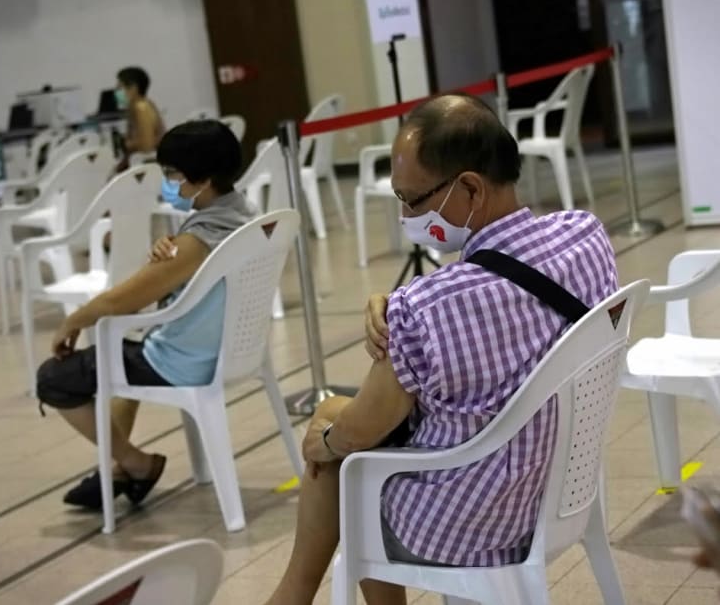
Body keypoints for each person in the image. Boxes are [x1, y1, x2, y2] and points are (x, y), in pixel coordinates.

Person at [264, 94, 618, 605]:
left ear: (470, 187)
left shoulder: (427, 306)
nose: (406, 215)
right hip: (560, 487)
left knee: (339, 447)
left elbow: (367, 423)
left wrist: (328, 443)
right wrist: (399, 305)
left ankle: (292, 595)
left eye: (413, 200)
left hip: (470, 518)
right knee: (342, 425)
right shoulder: (585, 236)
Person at [36, 119, 256, 510]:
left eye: (173, 174)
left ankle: (137, 463)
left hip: (181, 362)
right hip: (233, 350)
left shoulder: (197, 239)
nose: (168, 183)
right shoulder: (245, 214)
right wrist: (169, 255)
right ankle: (118, 469)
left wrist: (72, 321)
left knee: (55, 378)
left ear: (202, 179)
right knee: (122, 349)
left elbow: (120, 303)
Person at [114, 66, 166, 168]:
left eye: (119, 87)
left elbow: (147, 145)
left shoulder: (141, 108)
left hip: (146, 163)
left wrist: (127, 144)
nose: (116, 91)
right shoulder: (138, 106)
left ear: (133, 88)